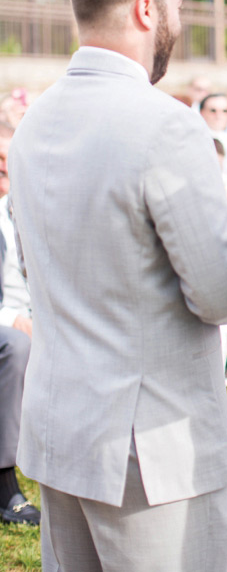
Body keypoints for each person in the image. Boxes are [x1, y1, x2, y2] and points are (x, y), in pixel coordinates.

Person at [8, 0, 227, 572]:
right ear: (147, 11)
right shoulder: (167, 125)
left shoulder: (34, 123)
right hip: (151, 449)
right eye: (176, 0)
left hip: (60, 431)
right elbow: (220, 292)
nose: (180, 15)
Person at [0, 121, 39, 527]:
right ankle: (5, 482)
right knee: (16, 345)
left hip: (45, 317)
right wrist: (11, 318)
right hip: (8, 324)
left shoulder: (37, 202)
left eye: (9, 160)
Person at [200, 92, 227, 177]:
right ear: (202, 112)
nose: (219, 115)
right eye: (213, 111)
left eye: (225, 111)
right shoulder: (196, 139)